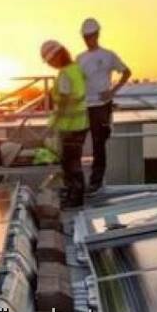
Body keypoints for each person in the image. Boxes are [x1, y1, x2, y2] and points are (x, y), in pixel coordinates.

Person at [76, 17, 132, 194]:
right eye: (85, 37)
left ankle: (96, 182)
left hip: (101, 106)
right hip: (84, 106)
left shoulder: (108, 55)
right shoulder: (80, 58)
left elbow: (126, 72)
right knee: (76, 143)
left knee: (98, 145)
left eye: (90, 36)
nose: (88, 39)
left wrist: (112, 92)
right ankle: (77, 182)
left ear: (97, 34)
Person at [39, 39, 89, 208]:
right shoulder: (76, 69)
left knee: (70, 163)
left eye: (50, 61)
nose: (50, 65)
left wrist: (53, 126)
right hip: (80, 123)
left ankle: (75, 198)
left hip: (70, 126)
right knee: (73, 161)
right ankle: (75, 195)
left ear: (57, 56)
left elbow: (65, 103)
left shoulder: (65, 74)